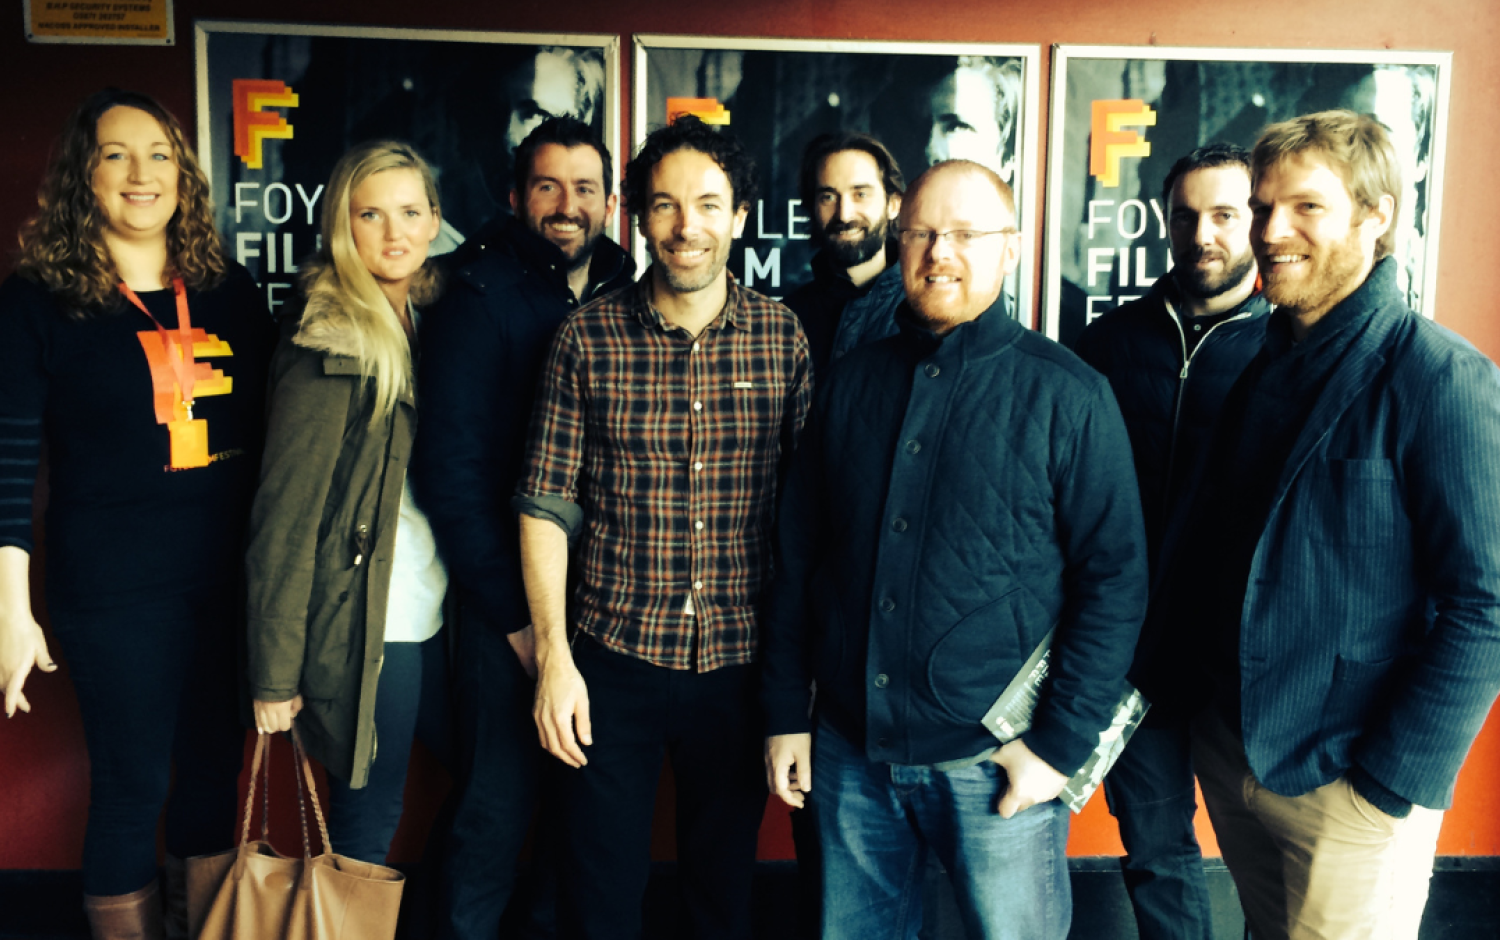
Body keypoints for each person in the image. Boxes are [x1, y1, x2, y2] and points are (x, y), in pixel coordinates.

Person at [762, 160, 1147, 940]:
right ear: (900, 244)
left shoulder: (1069, 394)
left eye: (967, 234)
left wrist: (1058, 748)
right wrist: (783, 715)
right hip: (849, 752)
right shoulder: (849, 384)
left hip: (999, 764)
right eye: (924, 233)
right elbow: (797, 555)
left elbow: (1114, 581)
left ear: (1009, 251)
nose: (941, 252)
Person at [1146, 110, 1500, 940]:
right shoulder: (1261, 361)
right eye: (1264, 207)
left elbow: (1486, 605)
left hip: (1350, 782)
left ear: (1375, 218)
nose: (1272, 232)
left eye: (1306, 207)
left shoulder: (1441, 378)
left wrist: (1387, 786)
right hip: (1234, 752)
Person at [516, 114, 812, 940]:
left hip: (739, 666)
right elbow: (545, 504)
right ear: (638, 217)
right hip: (610, 663)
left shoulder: (782, 338)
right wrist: (554, 664)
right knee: (599, 897)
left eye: (709, 204)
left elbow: (809, 520)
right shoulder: (586, 335)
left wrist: (797, 683)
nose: (688, 228)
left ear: (741, 215)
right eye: (666, 206)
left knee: (722, 896)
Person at [0, 88, 276, 940]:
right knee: (132, 787)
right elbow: (7, 466)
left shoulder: (230, 295)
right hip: (115, 595)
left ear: (184, 175)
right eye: (116, 153)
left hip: (226, 587)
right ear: (84, 173)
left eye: (158, 153)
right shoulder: (38, 301)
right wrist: (12, 610)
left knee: (211, 780)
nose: (140, 172)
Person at [411, 116, 634, 940]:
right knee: (494, 808)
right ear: (514, 196)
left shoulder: (625, 285)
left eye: (584, 189)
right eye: (547, 187)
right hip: (503, 607)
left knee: (580, 814)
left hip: (607, 603)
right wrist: (516, 623)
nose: (566, 206)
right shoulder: (474, 294)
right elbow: (452, 474)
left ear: (612, 202)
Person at [1071, 143, 1270, 940]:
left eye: (1225, 214)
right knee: (1155, 850)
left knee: (1268, 855)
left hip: (1241, 667)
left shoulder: (1286, 351)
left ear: (1255, 222)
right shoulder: (1107, 346)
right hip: (1134, 656)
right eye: (1186, 215)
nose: (1203, 234)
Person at [245, 140, 452, 868]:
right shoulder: (327, 341)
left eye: (408, 211)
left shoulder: (428, 322)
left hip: (434, 606)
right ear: (342, 225)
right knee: (368, 822)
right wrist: (273, 673)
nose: (393, 232)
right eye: (370, 214)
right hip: (369, 619)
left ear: (434, 222)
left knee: (488, 775)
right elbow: (285, 514)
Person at [783, 131, 906, 374]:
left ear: (893, 205)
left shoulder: (925, 311)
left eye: (861, 194)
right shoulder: (788, 318)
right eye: (828, 197)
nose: (844, 214)